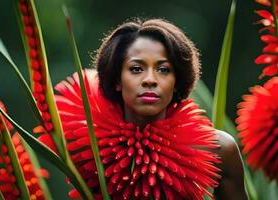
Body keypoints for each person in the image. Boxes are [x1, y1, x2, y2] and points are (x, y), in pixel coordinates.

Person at [55, 18, 248, 199]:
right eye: (136, 69)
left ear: (177, 81)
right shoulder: (85, 142)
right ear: (117, 80)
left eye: (163, 70)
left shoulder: (220, 149)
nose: (150, 80)